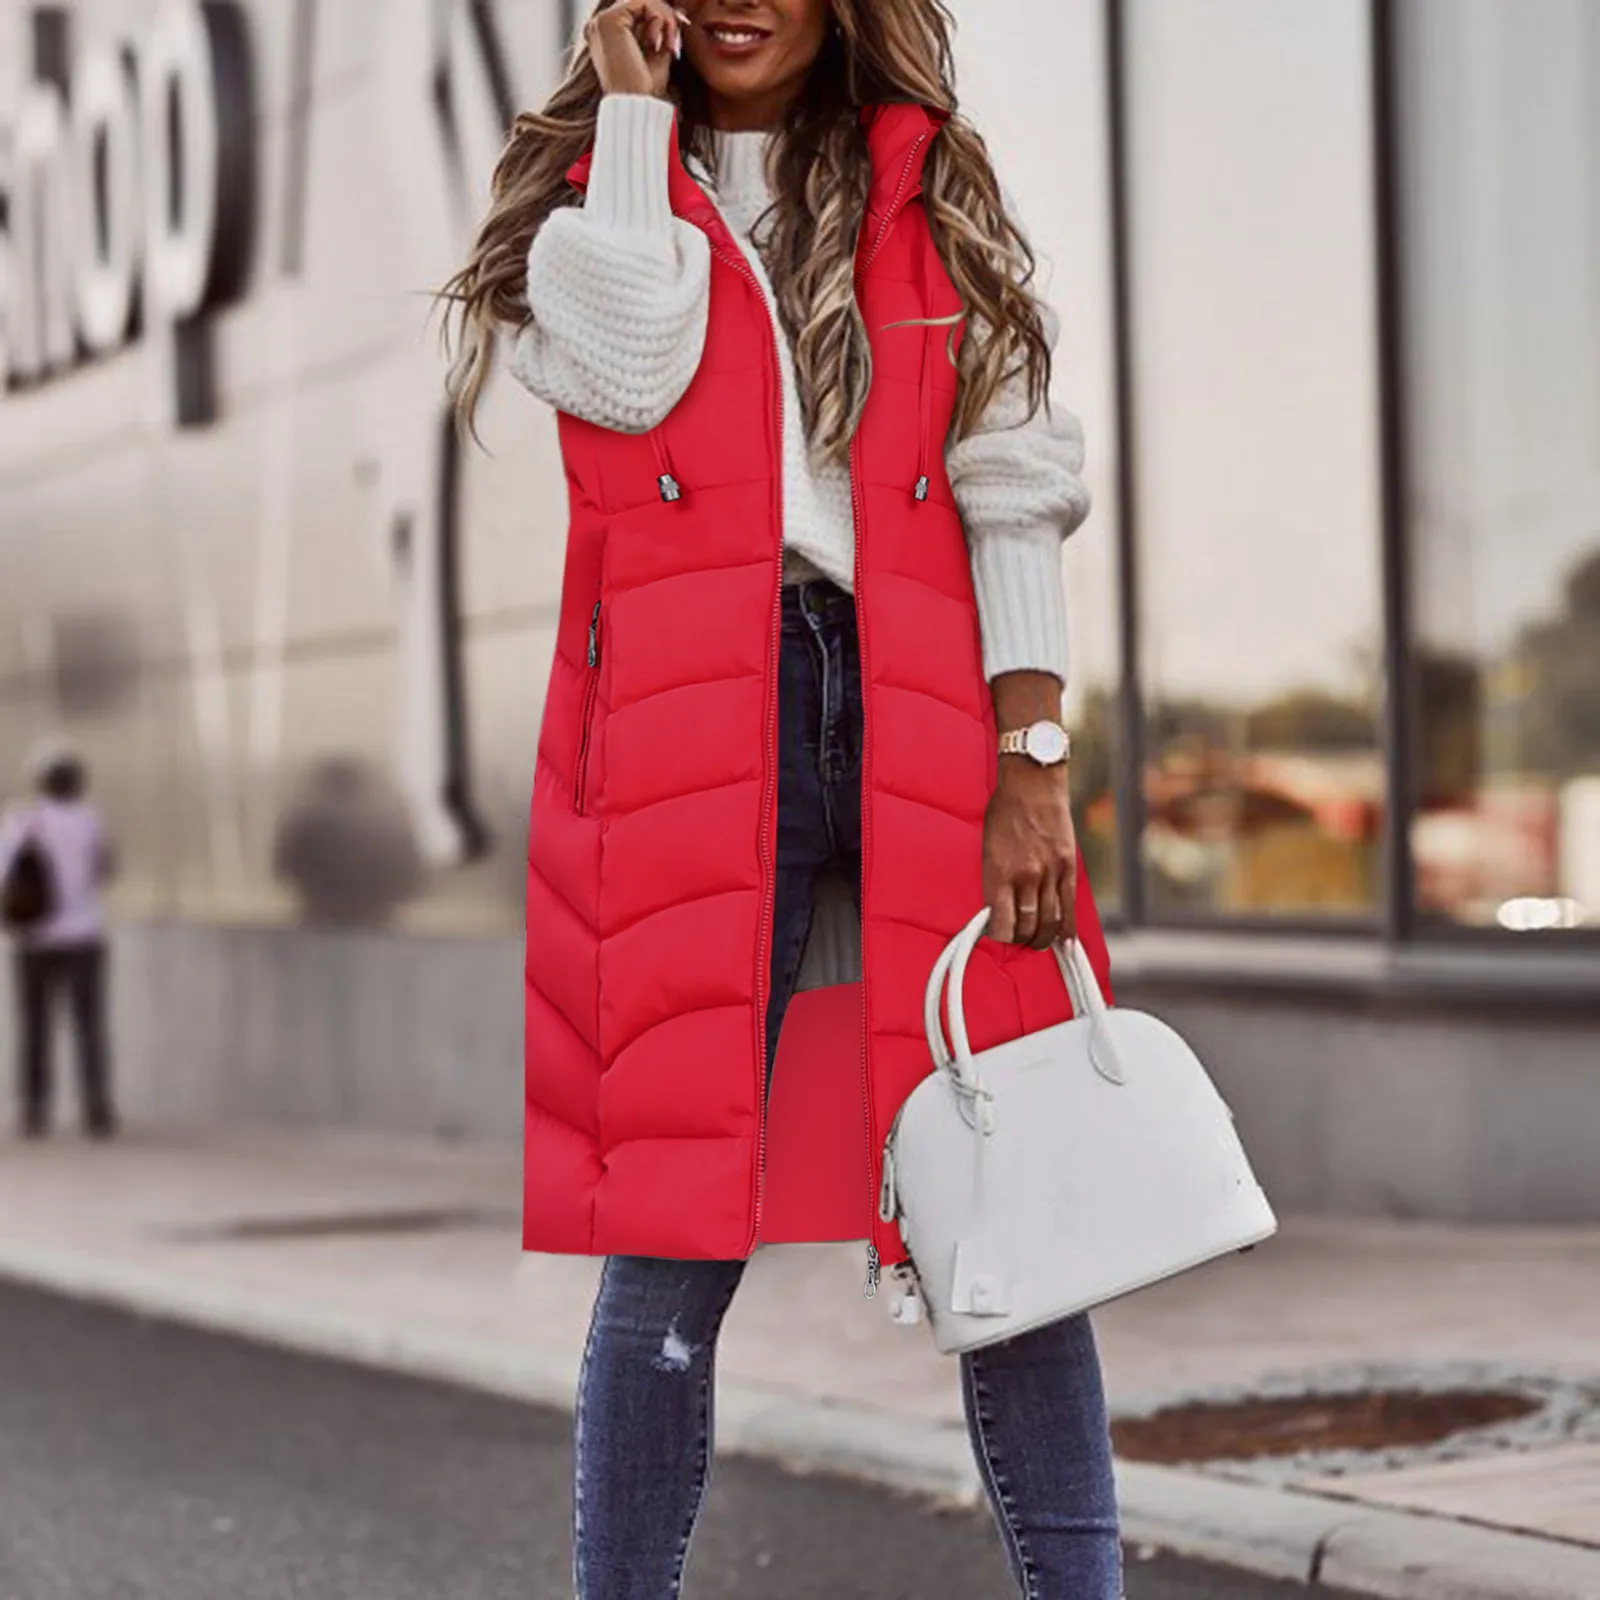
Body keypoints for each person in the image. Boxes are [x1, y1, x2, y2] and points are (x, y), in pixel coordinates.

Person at [446, 2, 1122, 1594]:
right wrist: (632, 122)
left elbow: (1011, 476)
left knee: (1012, 1224)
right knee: (670, 1231)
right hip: (693, 719)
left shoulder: (927, 187)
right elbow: (626, 378)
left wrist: (1032, 761)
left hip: (919, 700)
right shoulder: (593, 209)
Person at [0, 737, 117, 1140]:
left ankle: (35, 1107)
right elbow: (104, 871)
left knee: (35, 1024)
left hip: (35, 939)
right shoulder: (91, 821)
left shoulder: (24, 821)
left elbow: (6, 874)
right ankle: (96, 1105)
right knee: (89, 1024)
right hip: (84, 934)